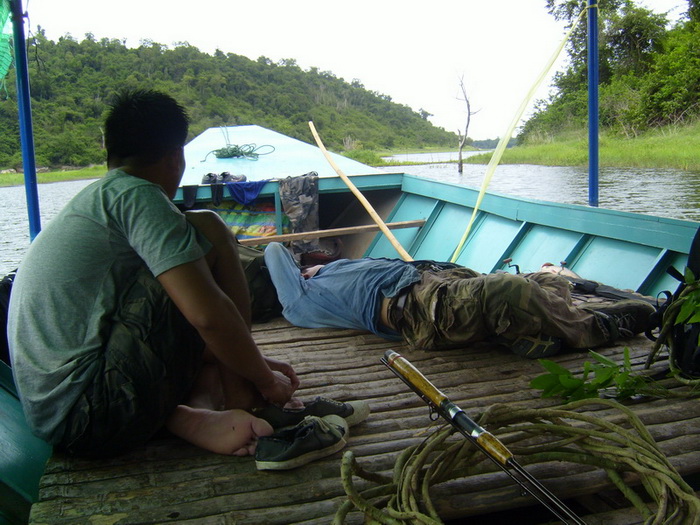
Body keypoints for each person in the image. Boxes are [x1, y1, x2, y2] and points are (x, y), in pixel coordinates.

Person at [7, 90, 300, 458]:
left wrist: (249, 358)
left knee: (184, 276)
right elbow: (207, 317)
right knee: (207, 227)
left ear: (109, 153)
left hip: (60, 418)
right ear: (175, 157)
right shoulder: (138, 196)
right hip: (93, 412)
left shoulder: (100, 197)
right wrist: (261, 378)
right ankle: (243, 399)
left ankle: (188, 412)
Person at [263, 242, 655, 357]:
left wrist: (325, 266)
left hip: (438, 283)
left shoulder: (338, 269)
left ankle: (526, 332)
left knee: (540, 279)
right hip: (420, 310)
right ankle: (596, 328)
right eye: (304, 267)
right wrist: (304, 271)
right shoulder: (303, 303)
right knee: (508, 288)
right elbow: (273, 249)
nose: (315, 264)